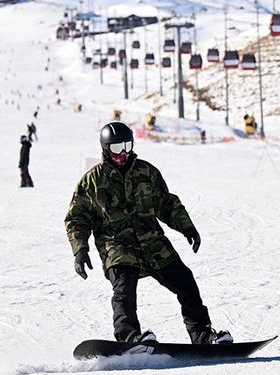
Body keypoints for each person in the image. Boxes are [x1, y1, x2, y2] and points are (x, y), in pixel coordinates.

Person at [65, 122, 232, 345]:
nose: (123, 153)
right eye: (116, 148)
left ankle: (202, 335)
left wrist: (186, 227)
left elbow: (166, 204)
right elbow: (77, 219)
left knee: (186, 283)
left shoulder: (146, 172)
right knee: (124, 289)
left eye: (127, 145)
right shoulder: (92, 181)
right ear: (105, 148)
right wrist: (80, 250)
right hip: (117, 246)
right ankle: (129, 337)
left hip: (153, 244)